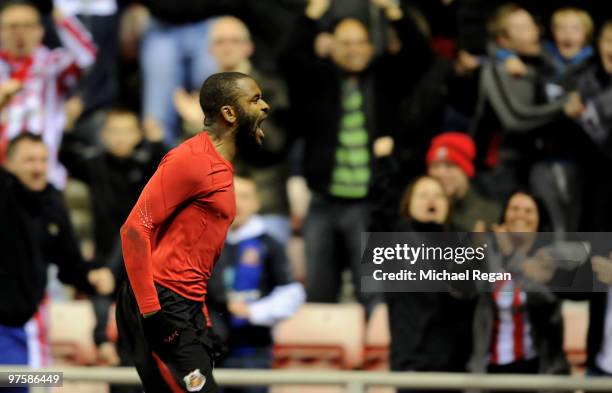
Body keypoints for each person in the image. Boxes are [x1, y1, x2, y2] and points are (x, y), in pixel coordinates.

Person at [116, 72, 269, 393]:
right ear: (229, 113)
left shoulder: (219, 165)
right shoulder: (191, 160)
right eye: (255, 100)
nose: (265, 106)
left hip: (184, 302)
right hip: (160, 301)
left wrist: (203, 319)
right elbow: (134, 229)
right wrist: (152, 311)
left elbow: (192, 252)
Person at [279, 0, 429, 309]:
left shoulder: (385, 79)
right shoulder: (318, 80)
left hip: (369, 205)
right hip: (323, 201)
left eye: (361, 42)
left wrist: (395, 12)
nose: (354, 49)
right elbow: (288, 57)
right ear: (330, 45)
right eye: (345, 43)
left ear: (372, 45)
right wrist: (313, 13)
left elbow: (419, 56)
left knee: (374, 295)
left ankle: (376, 354)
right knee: (319, 292)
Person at [0, 133, 112, 393]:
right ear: (8, 163)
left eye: (43, 160)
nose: (38, 168)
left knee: (29, 383)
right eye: (29, 160)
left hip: (20, 328)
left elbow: (69, 262)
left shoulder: (52, 203)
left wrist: (91, 276)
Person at [174, 15, 292, 244]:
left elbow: (273, 144)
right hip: (214, 210)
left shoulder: (270, 87)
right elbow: (190, 162)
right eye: (220, 41)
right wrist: (192, 125)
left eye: (234, 41)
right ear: (210, 49)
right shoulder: (204, 94)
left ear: (248, 47)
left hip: (265, 205)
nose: (227, 47)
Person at [207, 174, 305, 393]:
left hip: (253, 351)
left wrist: (253, 311)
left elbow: (292, 293)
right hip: (207, 352)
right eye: (230, 194)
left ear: (256, 203)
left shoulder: (269, 243)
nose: (236, 202)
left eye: (244, 196)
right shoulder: (202, 242)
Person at [384, 176, 476, 393]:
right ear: (408, 204)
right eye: (423, 195)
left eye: (438, 196)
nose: (431, 201)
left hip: (454, 367)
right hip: (412, 365)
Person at [0, 0, 96, 188]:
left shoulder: (53, 64)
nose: (20, 32)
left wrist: (59, 16)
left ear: (40, 30)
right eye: (12, 26)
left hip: (43, 173)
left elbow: (86, 56)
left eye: (27, 26)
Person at [426, 132, 501, 232]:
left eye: (449, 165)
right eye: (435, 166)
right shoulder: (422, 211)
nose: (440, 174)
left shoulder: (491, 215)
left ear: (466, 171)